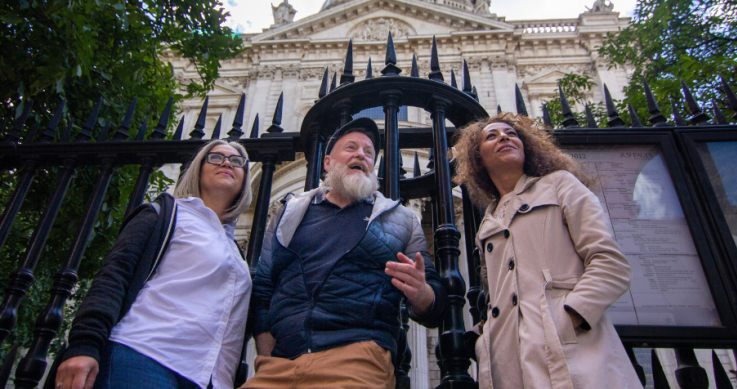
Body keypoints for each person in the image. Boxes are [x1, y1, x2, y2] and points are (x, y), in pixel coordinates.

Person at [243, 118, 447, 389]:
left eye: (369, 152)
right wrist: (267, 355)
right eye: (351, 147)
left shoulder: (403, 220)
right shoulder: (288, 212)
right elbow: (264, 287)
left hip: (357, 359)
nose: (361, 154)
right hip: (280, 364)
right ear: (328, 163)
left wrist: (422, 294)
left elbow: (435, 301)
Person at [453, 113, 642, 389]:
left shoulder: (560, 184)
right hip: (508, 360)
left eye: (511, 133)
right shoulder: (488, 221)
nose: (504, 137)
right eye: (491, 136)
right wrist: (485, 339)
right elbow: (497, 295)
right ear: (477, 158)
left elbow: (610, 263)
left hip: (569, 350)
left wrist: (568, 317)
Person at [55, 140, 253, 389]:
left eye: (237, 162)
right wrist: (85, 344)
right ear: (198, 169)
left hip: (209, 378)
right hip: (144, 356)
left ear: (245, 178)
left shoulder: (234, 248)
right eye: (216, 157)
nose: (226, 162)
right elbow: (115, 275)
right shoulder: (165, 214)